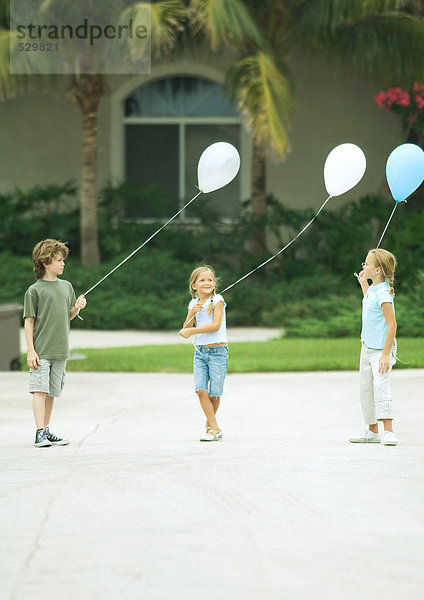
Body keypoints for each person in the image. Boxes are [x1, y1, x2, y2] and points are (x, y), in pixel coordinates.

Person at [23, 239, 87, 448]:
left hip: (60, 351)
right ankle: (39, 432)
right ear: (45, 262)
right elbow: (29, 321)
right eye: (59, 260)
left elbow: (66, 316)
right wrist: (31, 351)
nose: (63, 263)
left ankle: (47, 430)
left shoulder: (66, 287)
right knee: (39, 391)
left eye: (63, 260)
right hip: (41, 352)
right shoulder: (34, 290)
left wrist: (76, 307)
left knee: (51, 392)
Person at [350, 248, 398, 446]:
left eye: (367, 264)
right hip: (366, 347)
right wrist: (364, 284)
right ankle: (372, 430)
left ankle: (388, 431)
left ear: (377, 270)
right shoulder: (374, 291)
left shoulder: (384, 294)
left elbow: (392, 324)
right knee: (366, 389)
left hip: (380, 351)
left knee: (380, 386)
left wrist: (386, 354)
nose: (364, 266)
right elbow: (369, 302)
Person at [179, 265, 228, 442]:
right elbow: (185, 328)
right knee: (201, 390)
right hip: (200, 352)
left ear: (214, 283)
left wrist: (192, 332)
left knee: (214, 394)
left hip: (218, 352)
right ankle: (215, 428)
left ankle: (210, 425)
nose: (207, 282)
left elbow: (215, 326)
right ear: (194, 286)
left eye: (210, 280)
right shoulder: (193, 304)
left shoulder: (218, 300)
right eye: (202, 280)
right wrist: (192, 313)